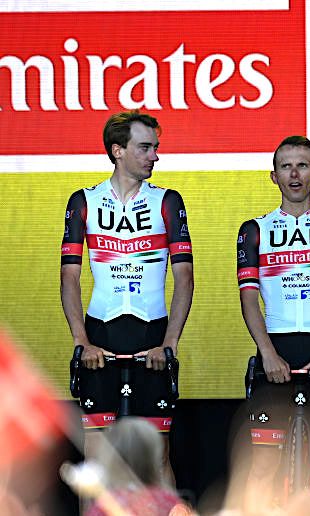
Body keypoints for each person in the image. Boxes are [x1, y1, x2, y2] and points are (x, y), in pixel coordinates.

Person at [60, 110, 194, 485]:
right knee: (97, 459)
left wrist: (169, 342)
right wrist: (81, 340)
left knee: (158, 454)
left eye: (156, 148)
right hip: (99, 333)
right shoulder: (83, 201)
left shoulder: (168, 200)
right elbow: (69, 276)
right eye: (146, 147)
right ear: (118, 150)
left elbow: (184, 277)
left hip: (152, 333)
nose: (155, 156)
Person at [237, 136, 310, 502]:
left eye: (303, 165)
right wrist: (267, 353)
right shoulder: (254, 230)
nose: (294, 173)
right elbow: (249, 298)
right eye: (286, 166)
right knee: (262, 466)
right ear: (273, 176)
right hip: (275, 350)